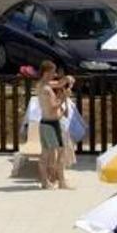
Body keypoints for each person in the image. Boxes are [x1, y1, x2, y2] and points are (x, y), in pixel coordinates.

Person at [34, 62, 75, 190]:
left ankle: (58, 181)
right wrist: (64, 97)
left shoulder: (43, 84)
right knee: (48, 154)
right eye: (53, 72)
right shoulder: (45, 89)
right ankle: (47, 182)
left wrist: (67, 79)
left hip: (50, 123)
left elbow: (58, 84)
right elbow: (53, 107)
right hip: (50, 124)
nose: (55, 74)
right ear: (46, 72)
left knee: (55, 152)